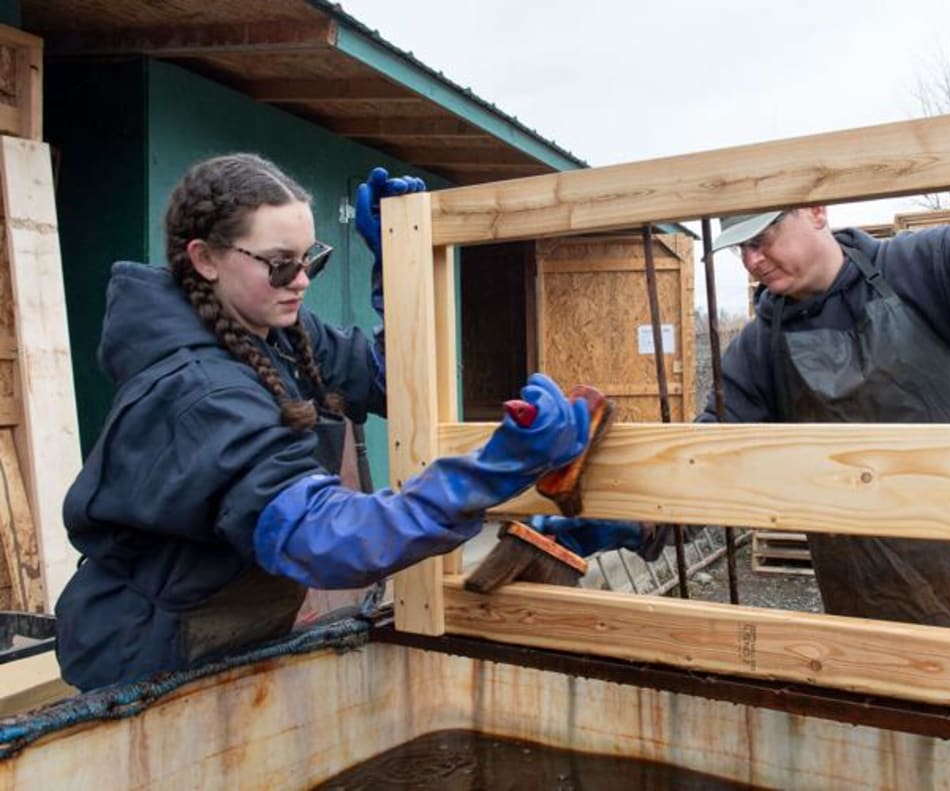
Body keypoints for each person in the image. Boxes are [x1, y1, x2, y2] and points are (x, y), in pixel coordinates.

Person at [534, 65, 950, 638]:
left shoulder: (922, 269)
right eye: (742, 249)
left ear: (816, 210)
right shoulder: (757, 350)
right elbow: (714, 466)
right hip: (871, 612)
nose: (755, 260)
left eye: (766, 236)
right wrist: (632, 517)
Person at [54, 155, 592, 691]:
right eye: (280, 264)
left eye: (310, 258)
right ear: (205, 258)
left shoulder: (281, 334)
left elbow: (389, 382)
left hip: (224, 629)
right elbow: (329, 539)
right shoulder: (196, 394)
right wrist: (493, 471)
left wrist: (401, 269)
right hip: (143, 654)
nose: (302, 280)